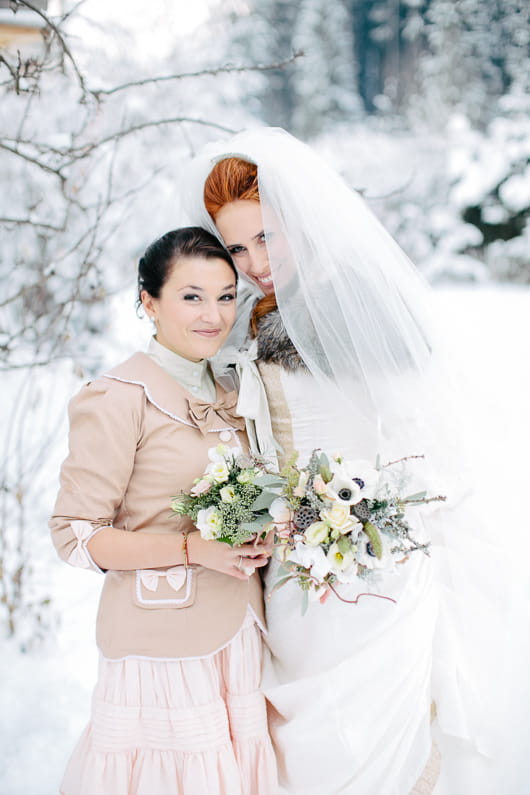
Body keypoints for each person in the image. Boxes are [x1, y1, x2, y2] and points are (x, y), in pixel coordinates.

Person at [181, 128, 530, 795]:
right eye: (236, 246)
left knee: (367, 745)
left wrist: (357, 514)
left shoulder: (360, 308)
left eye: (266, 238)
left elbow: (416, 438)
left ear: (301, 223)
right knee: (297, 745)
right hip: (290, 569)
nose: (254, 261)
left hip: (373, 561)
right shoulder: (249, 319)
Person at [49, 227, 278, 795]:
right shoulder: (118, 396)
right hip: (162, 652)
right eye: (191, 296)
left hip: (240, 638)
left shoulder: (235, 390)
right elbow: (77, 535)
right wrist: (191, 549)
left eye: (226, 296)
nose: (213, 315)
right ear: (148, 302)